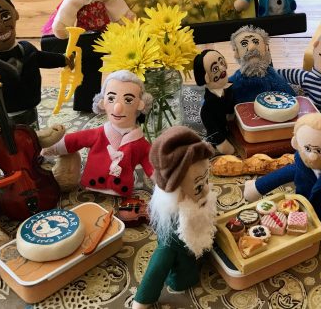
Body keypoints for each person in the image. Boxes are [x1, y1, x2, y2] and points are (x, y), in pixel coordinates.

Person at [42, 0, 135, 112]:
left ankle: (115, 98)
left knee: (115, 66)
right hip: (83, 33)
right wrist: (62, 26)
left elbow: (114, 2)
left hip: (105, 32)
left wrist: (126, 17)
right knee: (86, 69)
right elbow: (69, 7)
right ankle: (85, 103)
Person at [132, 127, 216, 308]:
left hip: (208, 262)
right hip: (185, 281)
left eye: (206, 181)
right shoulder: (172, 237)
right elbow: (157, 269)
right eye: (198, 187)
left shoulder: (199, 204)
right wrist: (142, 300)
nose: (207, 191)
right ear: (176, 194)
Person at [41, 70, 153, 197]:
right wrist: (53, 147)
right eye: (111, 98)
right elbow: (75, 140)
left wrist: (163, 181)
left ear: (141, 104)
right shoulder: (98, 133)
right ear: (102, 102)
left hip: (121, 189)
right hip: (92, 183)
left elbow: (151, 163)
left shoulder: (140, 143)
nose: (117, 108)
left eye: (128, 100)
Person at [228, 25, 294, 104]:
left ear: (266, 48)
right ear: (236, 53)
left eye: (256, 42)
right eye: (244, 43)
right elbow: (227, 86)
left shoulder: (271, 76)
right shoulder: (237, 79)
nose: (252, 47)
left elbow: (291, 97)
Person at [193, 49, 235, 154]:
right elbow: (211, 126)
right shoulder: (209, 104)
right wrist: (221, 142)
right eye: (215, 68)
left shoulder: (229, 87)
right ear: (206, 77)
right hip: (218, 137)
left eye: (222, 62)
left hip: (232, 129)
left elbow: (232, 103)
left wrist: (232, 114)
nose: (222, 68)